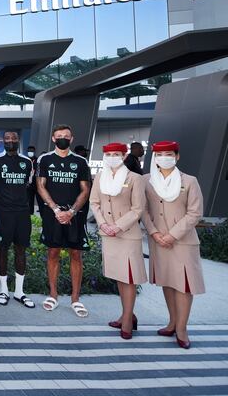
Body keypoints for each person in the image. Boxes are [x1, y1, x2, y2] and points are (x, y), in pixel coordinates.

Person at [142, 141, 205, 349]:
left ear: (177, 157)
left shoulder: (190, 181)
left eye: (168, 154)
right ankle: (171, 322)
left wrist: (172, 235)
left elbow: (195, 212)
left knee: (184, 285)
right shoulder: (147, 181)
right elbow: (143, 210)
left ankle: (182, 328)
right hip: (158, 239)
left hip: (183, 241)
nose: (164, 158)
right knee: (168, 281)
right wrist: (155, 233)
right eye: (159, 155)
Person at [89, 142, 146, 340]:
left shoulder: (135, 178)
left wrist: (118, 226)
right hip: (108, 233)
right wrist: (103, 224)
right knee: (119, 277)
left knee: (128, 277)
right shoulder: (100, 178)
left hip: (127, 234)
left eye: (116, 154)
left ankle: (128, 320)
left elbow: (138, 208)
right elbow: (94, 202)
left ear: (123, 156)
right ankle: (126, 314)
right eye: (109, 154)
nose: (112, 157)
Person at [36, 124, 91, 317]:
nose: (62, 139)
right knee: (53, 253)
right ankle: (53, 295)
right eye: (59, 136)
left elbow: (85, 189)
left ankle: (75, 299)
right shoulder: (45, 159)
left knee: (76, 255)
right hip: (53, 215)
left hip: (74, 216)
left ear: (71, 139)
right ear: (53, 139)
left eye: (66, 136)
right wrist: (56, 210)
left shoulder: (81, 162)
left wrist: (72, 212)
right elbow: (41, 186)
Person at [0, 131, 36, 309]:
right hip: (3, 213)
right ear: (2, 141)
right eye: (7, 139)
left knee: (21, 250)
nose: (11, 142)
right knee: (2, 249)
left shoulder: (26, 162)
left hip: (22, 213)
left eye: (14, 139)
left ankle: (20, 292)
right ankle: (4, 290)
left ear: (18, 141)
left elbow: (29, 185)